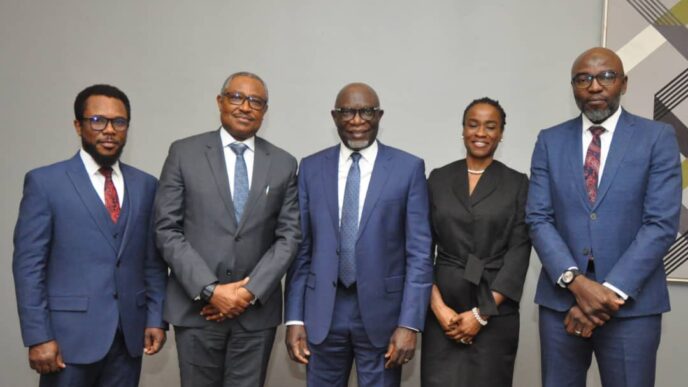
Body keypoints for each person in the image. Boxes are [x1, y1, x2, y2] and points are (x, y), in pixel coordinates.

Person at [527, 47, 681, 387]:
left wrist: (608, 293)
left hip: (632, 307)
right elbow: (538, 218)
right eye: (584, 79)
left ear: (624, 83)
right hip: (561, 303)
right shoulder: (549, 141)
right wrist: (577, 284)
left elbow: (660, 224)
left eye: (606, 76)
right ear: (573, 87)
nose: (595, 86)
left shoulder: (657, 138)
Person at [12, 84, 168, 387]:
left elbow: (153, 261)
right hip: (67, 340)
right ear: (78, 126)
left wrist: (155, 317)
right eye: (97, 120)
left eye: (119, 122)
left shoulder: (146, 185)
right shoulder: (46, 183)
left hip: (128, 338)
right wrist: (38, 335)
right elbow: (28, 267)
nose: (109, 130)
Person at [154, 72, 300, 387]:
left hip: (255, 314)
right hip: (196, 310)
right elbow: (167, 229)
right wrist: (212, 291)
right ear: (220, 101)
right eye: (236, 97)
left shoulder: (284, 164)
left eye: (256, 101)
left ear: (265, 110)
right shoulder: (183, 153)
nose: (245, 107)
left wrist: (245, 294)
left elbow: (288, 237)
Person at [284, 82, 433, 387]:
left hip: (384, 316)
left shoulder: (408, 169)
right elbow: (302, 250)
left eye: (366, 111)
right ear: (334, 116)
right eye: (347, 112)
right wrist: (295, 317)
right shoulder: (311, 168)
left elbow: (419, 254)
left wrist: (410, 323)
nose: (356, 120)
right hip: (322, 312)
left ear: (379, 115)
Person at [421, 97, 531, 386]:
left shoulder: (517, 183)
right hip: (443, 313)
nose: (480, 133)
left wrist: (480, 315)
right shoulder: (438, 178)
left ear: (501, 134)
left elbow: (519, 252)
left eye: (490, 126)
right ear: (463, 130)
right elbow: (421, 248)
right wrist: (438, 308)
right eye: (473, 125)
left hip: (493, 312)